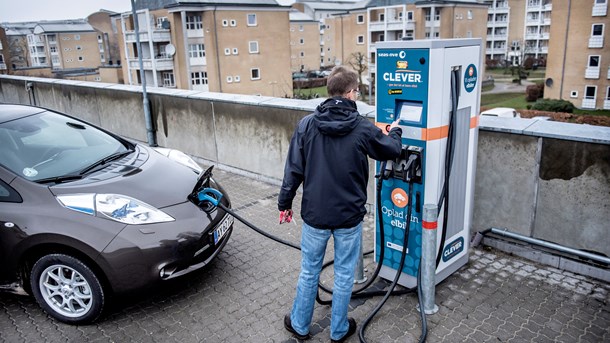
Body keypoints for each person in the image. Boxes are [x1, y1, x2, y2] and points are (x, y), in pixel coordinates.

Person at [278, 66, 403, 342]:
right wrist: (396, 131)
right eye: (357, 90)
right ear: (349, 93)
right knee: (345, 274)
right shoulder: (362, 128)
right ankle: (338, 331)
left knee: (309, 271)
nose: (357, 94)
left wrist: (284, 203)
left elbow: (293, 171)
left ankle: (300, 325)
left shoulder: (307, 124)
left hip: (315, 215)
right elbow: (392, 150)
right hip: (348, 217)